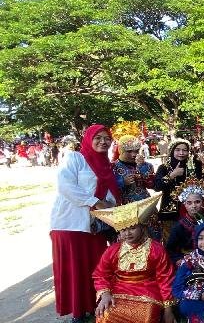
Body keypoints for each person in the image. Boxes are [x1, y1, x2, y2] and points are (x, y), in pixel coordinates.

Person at [50, 124, 120, 323]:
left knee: (96, 268)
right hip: (70, 224)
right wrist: (94, 201)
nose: (103, 142)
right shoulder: (75, 158)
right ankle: (78, 313)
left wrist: (112, 207)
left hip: (96, 227)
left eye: (107, 138)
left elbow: (110, 196)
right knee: (75, 270)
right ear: (88, 139)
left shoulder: (106, 166)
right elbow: (65, 186)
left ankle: (93, 306)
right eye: (98, 137)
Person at [91, 194, 176, 323]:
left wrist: (168, 310)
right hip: (118, 291)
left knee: (145, 316)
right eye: (123, 230)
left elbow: (165, 279)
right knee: (106, 314)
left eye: (132, 228)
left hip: (148, 292)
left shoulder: (156, 249)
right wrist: (105, 294)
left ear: (142, 227)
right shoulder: (113, 250)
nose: (127, 233)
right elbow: (100, 274)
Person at [173, 221, 204, 323]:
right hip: (192, 301)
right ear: (196, 239)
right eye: (200, 238)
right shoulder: (189, 261)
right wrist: (200, 295)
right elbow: (177, 289)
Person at [155, 139, 203, 241]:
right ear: (172, 151)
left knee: (192, 239)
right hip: (170, 211)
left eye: (184, 150)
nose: (181, 153)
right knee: (171, 240)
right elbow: (157, 186)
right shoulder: (164, 167)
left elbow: (201, 184)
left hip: (191, 209)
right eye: (177, 150)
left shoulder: (196, 165)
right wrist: (172, 175)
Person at [166, 178, 204, 264]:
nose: (194, 206)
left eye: (197, 202)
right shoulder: (178, 226)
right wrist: (180, 260)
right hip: (188, 261)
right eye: (189, 203)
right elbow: (170, 250)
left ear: (203, 202)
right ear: (185, 205)